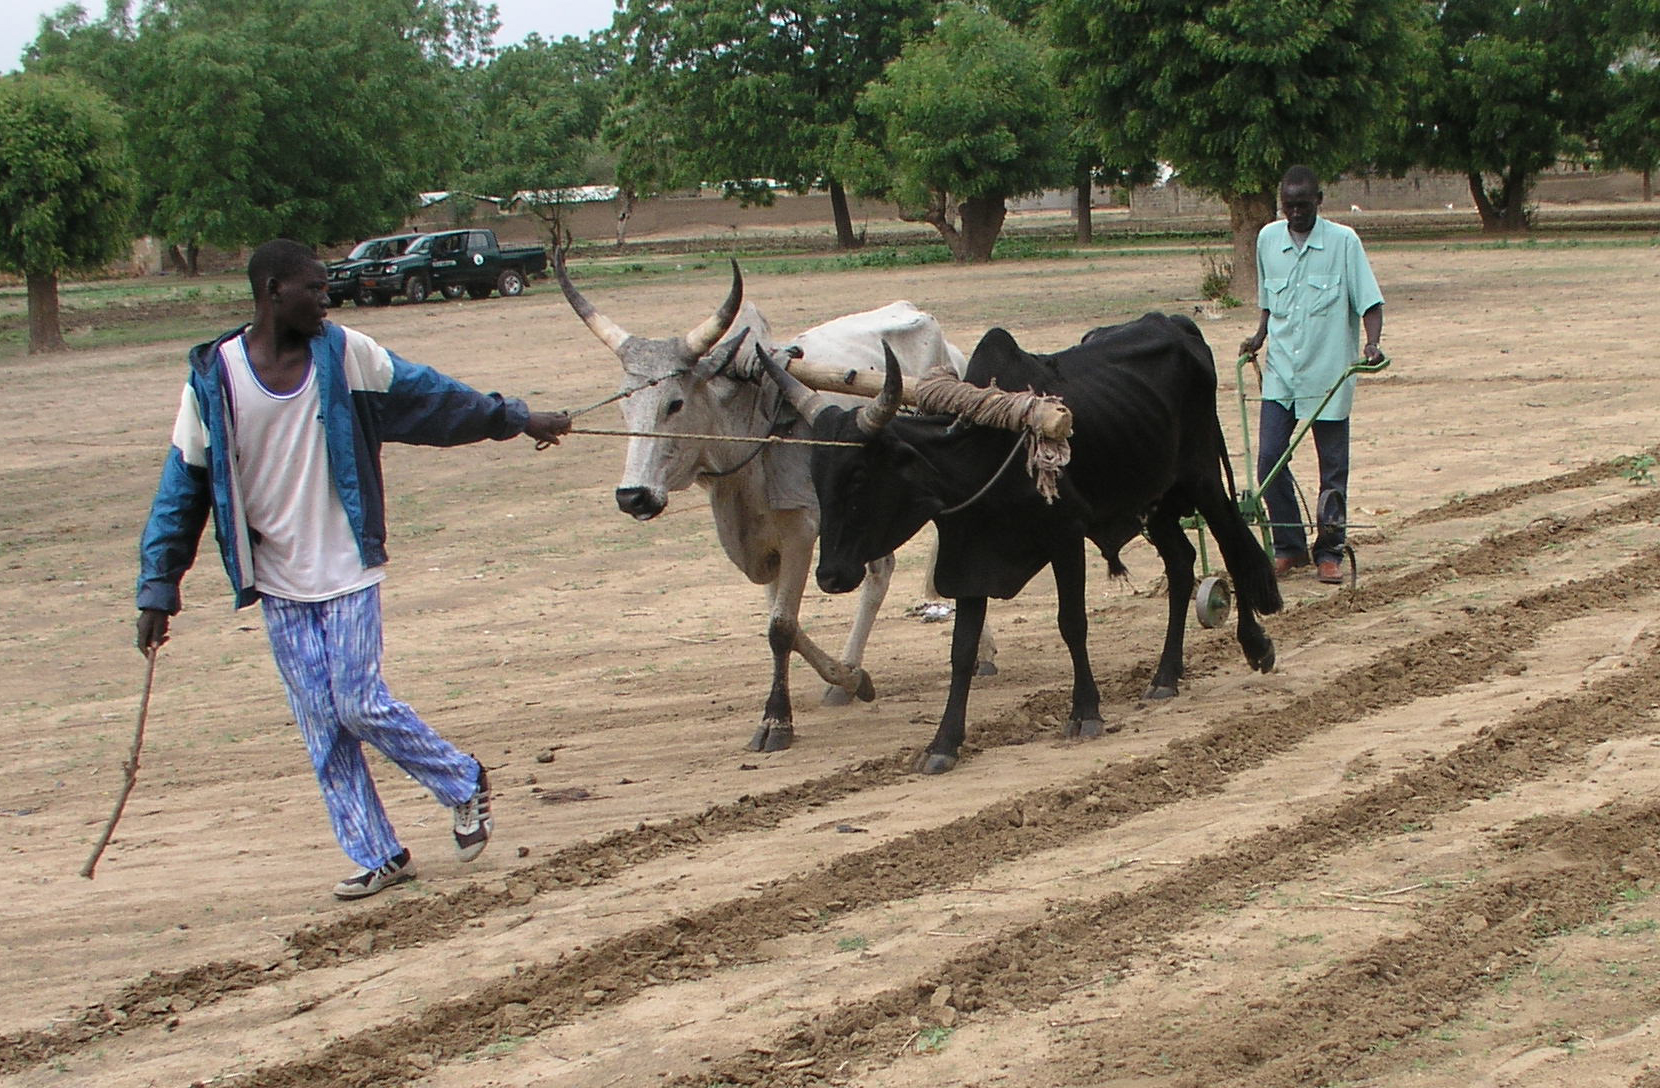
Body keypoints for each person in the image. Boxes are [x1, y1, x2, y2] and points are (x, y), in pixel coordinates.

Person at [135, 239, 570, 899]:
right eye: (315, 288)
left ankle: (462, 779)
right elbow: (183, 489)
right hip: (278, 580)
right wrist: (158, 589)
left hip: (346, 565)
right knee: (322, 725)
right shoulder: (214, 379)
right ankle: (378, 853)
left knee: (358, 701)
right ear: (273, 290)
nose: (327, 298)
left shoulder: (347, 356)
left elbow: (434, 399)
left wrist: (516, 418)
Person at [1239, 165, 1384, 585]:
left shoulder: (1343, 242)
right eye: (1289, 206)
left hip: (1329, 373)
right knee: (1269, 460)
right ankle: (1289, 546)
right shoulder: (1268, 240)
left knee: (1332, 470)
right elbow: (1269, 301)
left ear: (1319, 201)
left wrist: (1372, 344)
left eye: (1304, 205)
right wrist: (1259, 336)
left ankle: (1330, 552)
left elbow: (1370, 302)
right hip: (1282, 371)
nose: (1296, 213)